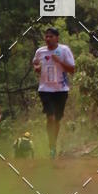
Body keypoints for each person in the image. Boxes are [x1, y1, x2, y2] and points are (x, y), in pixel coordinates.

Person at [32, 27, 75, 159]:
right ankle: (51, 146)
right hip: (45, 89)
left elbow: (72, 69)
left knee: (57, 119)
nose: (48, 39)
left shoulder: (64, 50)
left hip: (61, 90)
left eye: (51, 36)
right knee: (50, 117)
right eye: (46, 36)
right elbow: (35, 64)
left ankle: (53, 144)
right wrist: (38, 68)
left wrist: (59, 61)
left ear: (57, 38)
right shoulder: (40, 51)